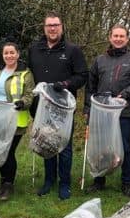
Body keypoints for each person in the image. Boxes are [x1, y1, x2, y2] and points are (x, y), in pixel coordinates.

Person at [27, 12, 88, 200]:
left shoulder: (72, 50)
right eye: (49, 26)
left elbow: (82, 76)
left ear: (61, 27)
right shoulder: (34, 49)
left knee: (64, 146)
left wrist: (66, 84)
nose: (52, 28)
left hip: (63, 108)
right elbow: (29, 76)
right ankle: (49, 181)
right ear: (44, 28)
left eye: (55, 25)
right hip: (42, 106)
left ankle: (65, 184)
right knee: (46, 143)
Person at [85, 24, 130, 198]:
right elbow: (90, 86)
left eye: (122, 36)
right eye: (115, 36)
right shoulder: (100, 60)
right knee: (101, 147)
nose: (118, 39)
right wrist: (87, 109)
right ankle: (99, 180)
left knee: (125, 147)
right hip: (101, 110)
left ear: (127, 39)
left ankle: (127, 183)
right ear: (110, 38)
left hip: (124, 111)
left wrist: (127, 93)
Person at [0, 42, 34, 201]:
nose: (9, 56)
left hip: (15, 119)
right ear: (2, 55)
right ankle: (3, 182)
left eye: (12, 53)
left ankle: (9, 185)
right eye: (6, 53)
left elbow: (30, 94)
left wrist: (22, 103)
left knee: (8, 151)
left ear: (18, 54)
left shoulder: (25, 73)